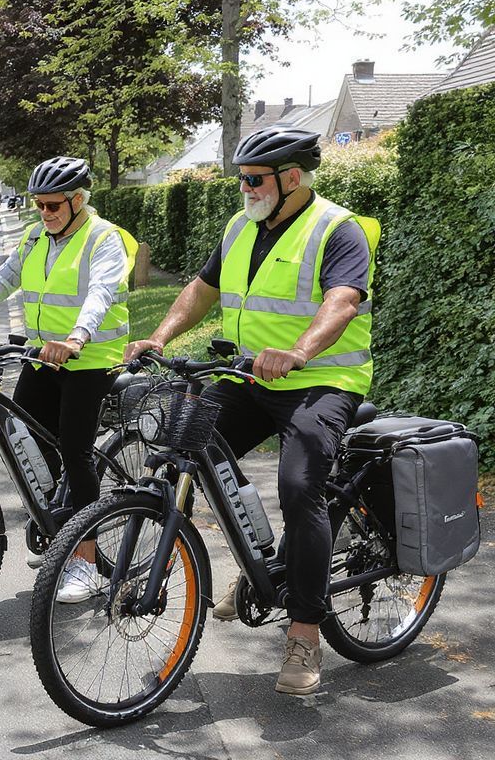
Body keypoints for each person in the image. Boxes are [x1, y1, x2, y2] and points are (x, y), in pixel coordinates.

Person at [124, 126, 379, 695]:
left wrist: (298, 352)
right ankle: (259, 564)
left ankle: (305, 634)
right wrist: (161, 336)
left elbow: (342, 302)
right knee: (184, 446)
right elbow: (201, 288)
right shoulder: (241, 225)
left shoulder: (338, 229)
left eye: (254, 178)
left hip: (322, 380)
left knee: (298, 485)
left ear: (292, 177)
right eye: (241, 178)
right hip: (250, 375)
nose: (244, 187)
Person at [0, 157, 137, 603]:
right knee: (31, 446)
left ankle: (84, 560)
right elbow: (1, 281)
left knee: (75, 451)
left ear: (79, 201)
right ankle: (60, 530)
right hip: (42, 358)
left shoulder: (105, 239)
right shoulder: (35, 237)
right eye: (39, 204)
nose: (45, 213)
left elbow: (101, 292)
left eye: (53, 205)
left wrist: (77, 338)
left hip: (89, 361)